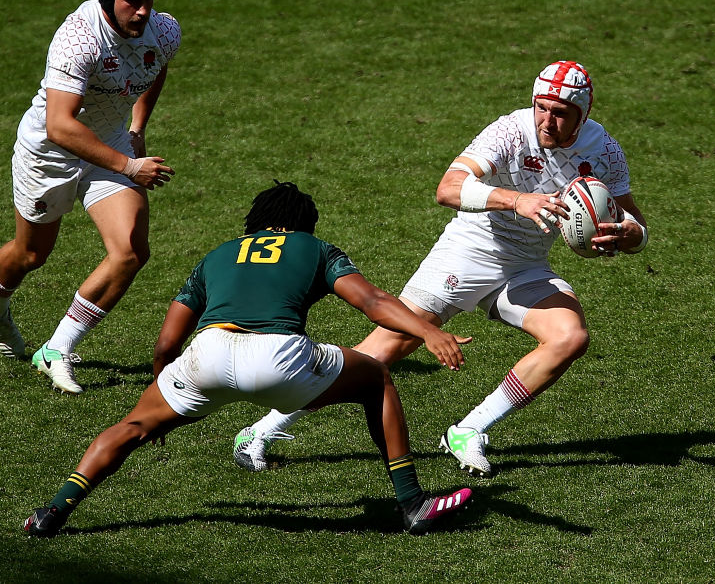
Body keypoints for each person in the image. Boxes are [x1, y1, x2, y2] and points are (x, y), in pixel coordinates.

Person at [234, 61, 649, 477]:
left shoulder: (604, 151)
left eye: (560, 113)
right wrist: (517, 200)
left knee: (570, 336)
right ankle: (260, 430)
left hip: (526, 267)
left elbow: (636, 223)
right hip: (467, 254)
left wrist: (627, 235)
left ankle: (468, 431)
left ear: (583, 115)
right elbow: (447, 188)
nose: (548, 120)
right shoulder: (509, 130)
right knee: (377, 356)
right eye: (542, 108)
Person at [22, 182, 474, 537]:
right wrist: (429, 331)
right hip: (279, 358)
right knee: (375, 378)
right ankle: (412, 503)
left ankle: (51, 511)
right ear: (304, 225)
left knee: (131, 429)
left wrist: (161, 394)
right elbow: (372, 301)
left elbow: (166, 343)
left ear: (254, 221)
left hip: (207, 356)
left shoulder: (216, 256)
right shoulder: (313, 248)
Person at [0, 0, 181, 394]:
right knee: (31, 255)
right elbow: (60, 124)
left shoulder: (162, 31)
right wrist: (130, 165)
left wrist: (137, 128)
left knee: (129, 252)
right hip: (50, 153)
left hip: (110, 144)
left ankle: (56, 349)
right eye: (133, 0)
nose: (144, 11)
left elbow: (154, 69)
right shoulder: (77, 40)